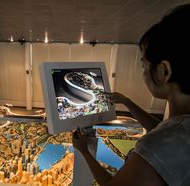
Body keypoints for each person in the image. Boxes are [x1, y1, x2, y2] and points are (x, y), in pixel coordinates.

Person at [72, 3, 190, 186]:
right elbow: (162, 128)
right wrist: (126, 102)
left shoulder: (158, 145)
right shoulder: (180, 130)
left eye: (144, 65)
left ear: (164, 71)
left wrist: (84, 152)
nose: (143, 72)